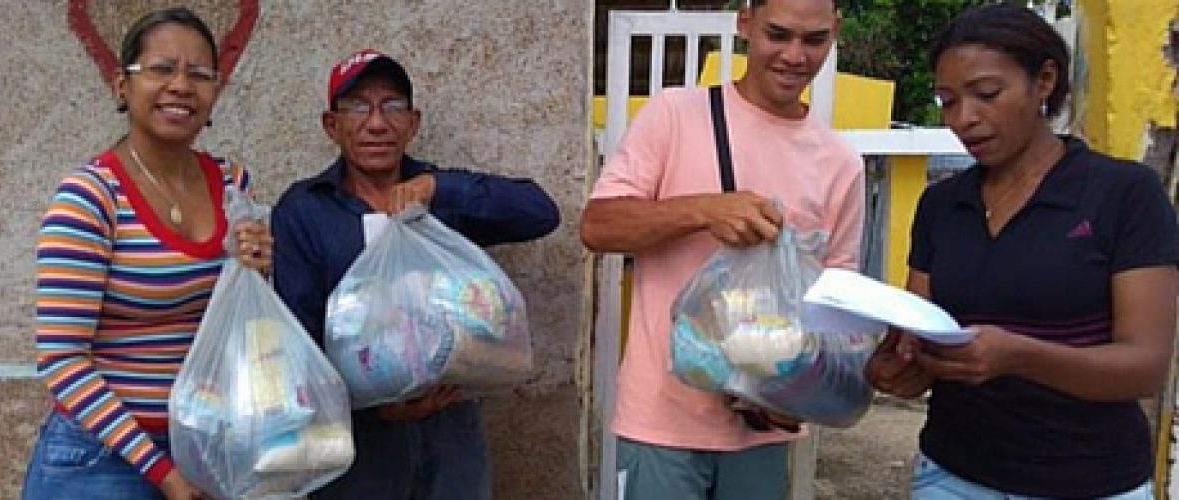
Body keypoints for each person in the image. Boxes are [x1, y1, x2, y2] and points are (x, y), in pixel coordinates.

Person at [865, 4, 1179, 499]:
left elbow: (1144, 367)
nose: (964, 119)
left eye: (987, 94)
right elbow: (921, 336)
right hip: (953, 476)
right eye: (947, 101)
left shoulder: (1122, 194)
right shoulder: (943, 204)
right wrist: (896, 368)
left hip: (1090, 482)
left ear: (1044, 81)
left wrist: (1020, 357)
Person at [579, 0, 865, 497]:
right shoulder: (675, 115)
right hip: (661, 421)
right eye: (778, 34)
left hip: (764, 431)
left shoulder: (840, 162)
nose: (794, 56)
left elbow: (837, 312)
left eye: (813, 40)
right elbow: (598, 226)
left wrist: (798, 393)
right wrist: (705, 211)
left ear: (835, 33)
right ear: (745, 22)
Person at [271, 49, 560, 500]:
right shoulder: (305, 210)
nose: (377, 122)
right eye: (358, 106)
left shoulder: (440, 196)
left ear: (413, 122)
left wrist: (440, 188)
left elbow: (541, 213)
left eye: (392, 106)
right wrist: (375, 408)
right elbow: (298, 337)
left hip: (452, 434)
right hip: (358, 446)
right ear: (332, 125)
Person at [20, 7, 273, 500]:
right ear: (122, 86)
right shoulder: (90, 197)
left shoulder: (232, 186)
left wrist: (258, 270)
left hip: (204, 446)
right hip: (99, 461)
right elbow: (62, 359)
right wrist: (163, 473)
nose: (181, 85)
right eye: (161, 69)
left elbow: (247, 323)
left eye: (199, 74)